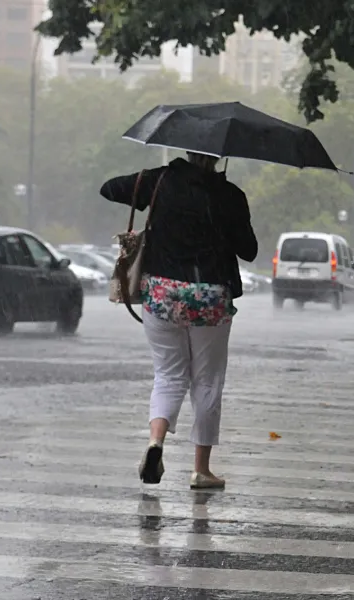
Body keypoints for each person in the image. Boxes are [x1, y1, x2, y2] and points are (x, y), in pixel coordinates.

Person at [99, 152, 258, 489]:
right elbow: (249, 250)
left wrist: (147, 181)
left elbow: (109, 189)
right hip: (210, 297)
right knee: (207, 380)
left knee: (169, 375)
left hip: (161, 294)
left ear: (186, 152)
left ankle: (156, 442)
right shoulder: (229, 195)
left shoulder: (158, 181)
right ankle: (201, 469)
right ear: (218, 157)